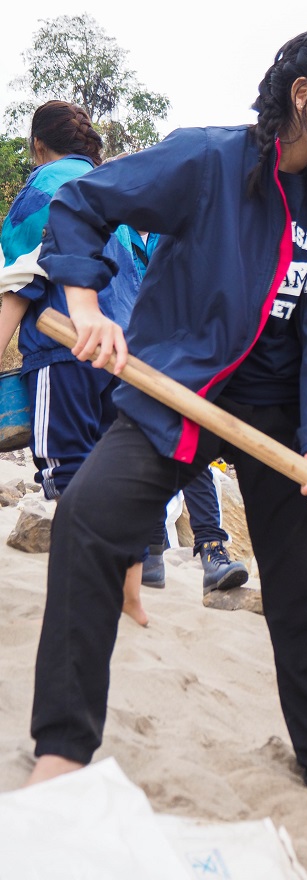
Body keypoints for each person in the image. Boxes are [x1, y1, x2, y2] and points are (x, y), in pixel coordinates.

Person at [25, 24, 307, 812]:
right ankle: (61, 748)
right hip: (179, 390)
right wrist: (86, 306)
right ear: (304, 94)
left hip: (279, 420)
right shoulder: (210, 161)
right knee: (87, 521)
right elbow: (83, 202)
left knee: (306, 589)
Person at [0, 101, 152, 625]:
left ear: (39, 145)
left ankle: (84, 594)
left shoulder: (44, 189)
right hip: (128, 358)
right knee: (119, 476)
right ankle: (131, 595)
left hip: (65, 351)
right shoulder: (117, 193)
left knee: (68, 476)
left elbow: (20, 282)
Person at [117, 223, 249, 595]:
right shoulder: (115, 233)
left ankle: (211, 550)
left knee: (191, 449)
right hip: (128, 356)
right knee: (143, 449)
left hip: (181, 357)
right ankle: (153, 552)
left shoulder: (180, 229)